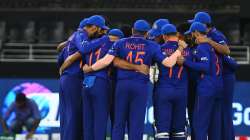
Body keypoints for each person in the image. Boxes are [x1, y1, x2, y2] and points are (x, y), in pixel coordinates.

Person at [82, 19, 187, 140]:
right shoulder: (152, 45)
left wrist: (90, 69)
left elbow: (106, 61)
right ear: (147, 33)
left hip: (122, 86)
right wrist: (179, 50)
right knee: (136, 123)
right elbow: (169, 63)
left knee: (119, 122)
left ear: (133, 30)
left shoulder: (120, 43)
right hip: (140, 86)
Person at [188, 11, 233, 140]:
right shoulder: (206, 38)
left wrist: (208, 41)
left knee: (216, 118)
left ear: (203, 25)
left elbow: (226, 50)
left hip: (219, 78)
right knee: (216, 121)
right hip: (218, 79)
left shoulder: (215, 35)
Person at [181, 22, 219, 140]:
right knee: (209, 123)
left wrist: (185, 62)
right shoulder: (208, 45)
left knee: (199, 124)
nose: (190, 36)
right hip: (212, 85)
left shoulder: (202, 47)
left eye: (191, 33)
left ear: (196, 33)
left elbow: (204, 67)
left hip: (205, 86)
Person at [153, 24, 191, 140]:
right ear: (177, 34)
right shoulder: (188, 50)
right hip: (182, 92)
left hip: (163, 91)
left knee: (162, 132)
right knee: (179, 132)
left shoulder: (158, 49)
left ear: (164, 36)